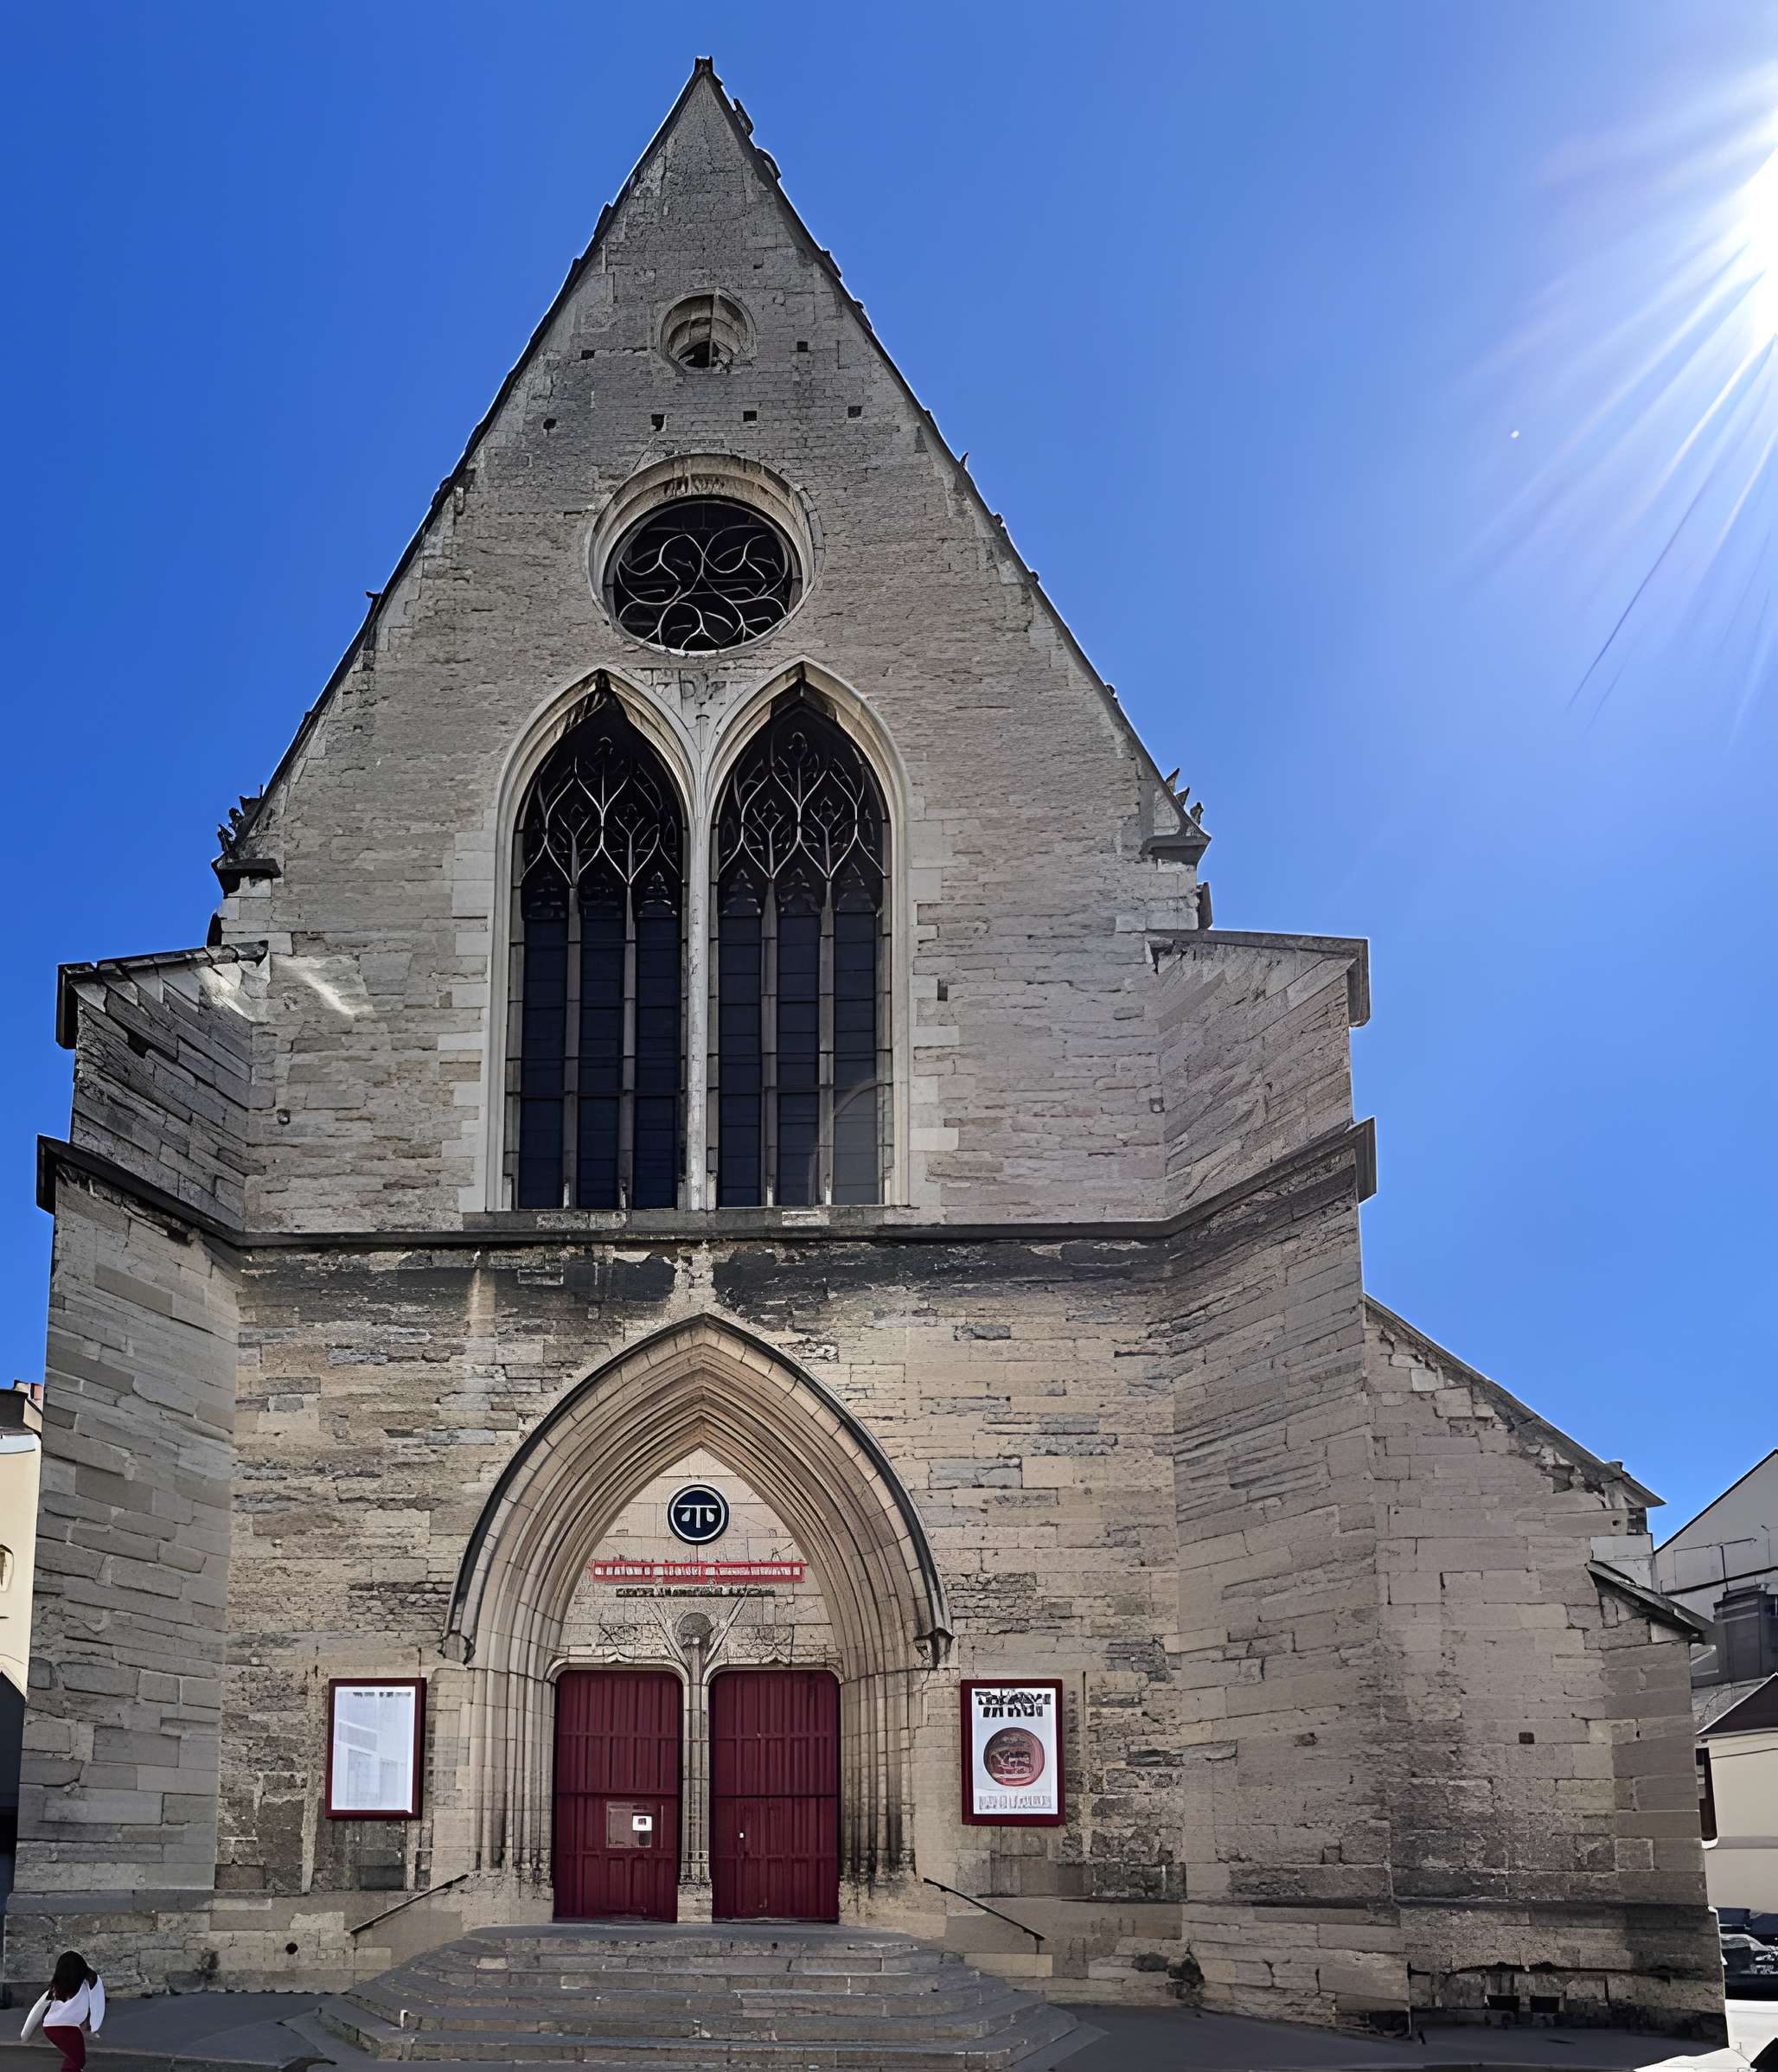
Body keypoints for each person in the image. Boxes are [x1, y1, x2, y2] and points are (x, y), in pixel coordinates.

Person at [20, 1951, 105, 2071]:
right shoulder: (89, 1981)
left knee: (74, 2058)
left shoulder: (56, 1988)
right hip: (69, 2029)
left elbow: (38, 2009)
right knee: (77, 2061)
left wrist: (25, 2035)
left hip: (50, 2027)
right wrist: (95, 2026)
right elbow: (97, 1999)